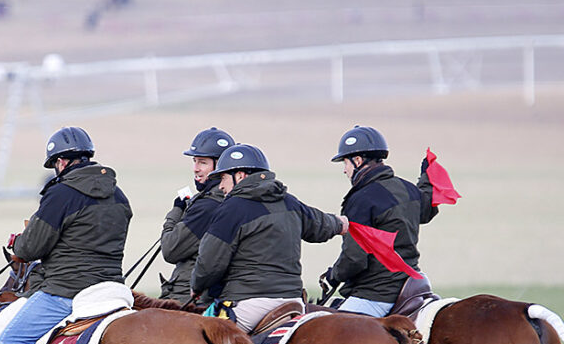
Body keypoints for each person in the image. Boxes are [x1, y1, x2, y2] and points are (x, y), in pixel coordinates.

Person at [0, 126, 132, 344]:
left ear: (62, 163)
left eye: (55, 165)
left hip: (67, 291)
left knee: (11, 339)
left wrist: (19, 242)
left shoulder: (60, 194)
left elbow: (30, 249)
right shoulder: (118, 195)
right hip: (111, 289)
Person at [192, 143, 348, 333]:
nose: (221, 186)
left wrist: (197, 286)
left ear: (240, 176)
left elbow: (209, 262)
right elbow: (322, 225)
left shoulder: (232, 208)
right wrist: (342, 223)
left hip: (250, 304)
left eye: (223, 178)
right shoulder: (289, 201)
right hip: (294, 300)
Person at [321, 125, 439, 317]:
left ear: (358, 160)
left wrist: (333, 276)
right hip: (411, 284)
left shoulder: (361, 199)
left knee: (329, 333)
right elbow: (426, 210)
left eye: (345, 163)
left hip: (377, 292)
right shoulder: (407, 188)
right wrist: (426, 179)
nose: (345, 170)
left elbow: (355, 257)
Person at [159, 127, 234, 303]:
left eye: (202, 162)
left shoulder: (207, 207)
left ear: (220, 166)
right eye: (194, 161)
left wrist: (176, 211)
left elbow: (170, 250)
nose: (195, 169)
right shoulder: (228, 201)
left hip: (189, 297)